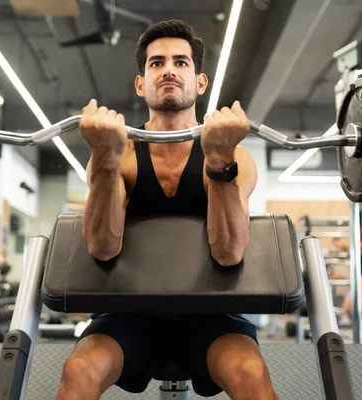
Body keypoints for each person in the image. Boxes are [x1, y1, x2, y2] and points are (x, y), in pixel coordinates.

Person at [56, 20, 279, 400]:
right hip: (128, 311)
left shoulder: (236, 155)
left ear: (200, 81)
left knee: (252, 374)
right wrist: (106, 161)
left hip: (212, 312)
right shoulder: (119, 155)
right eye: (157, 63)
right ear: (141, 84)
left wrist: (220, 159)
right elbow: (102, 246)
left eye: (181, 62)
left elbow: (229, 253)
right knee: (79, 371)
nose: (169, 70)